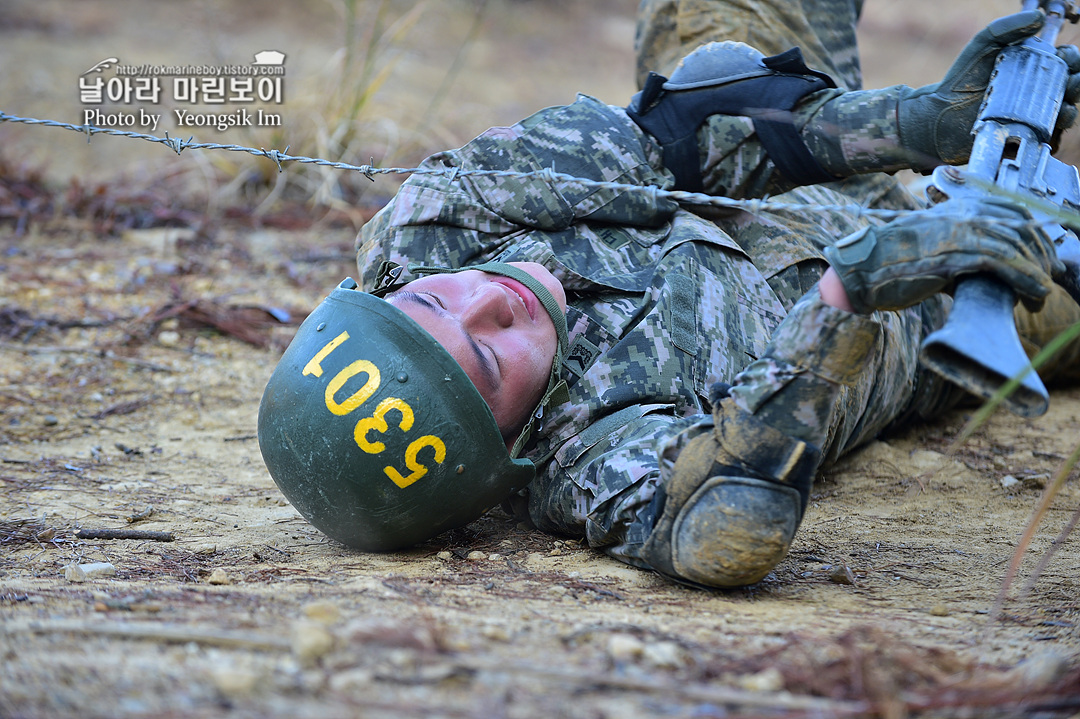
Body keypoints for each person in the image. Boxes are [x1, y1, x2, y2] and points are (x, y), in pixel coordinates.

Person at [258, 0, 1080, 588]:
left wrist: (919, 125)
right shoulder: (583, 455)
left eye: (431, 306)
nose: (490, 302)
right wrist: (848, 297)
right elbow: (725, 526)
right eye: (484, 361)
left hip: (793, 156)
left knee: (715, 43)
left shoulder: (429, 230)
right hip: (938, 300)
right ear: (509, 453)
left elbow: (694, 130)